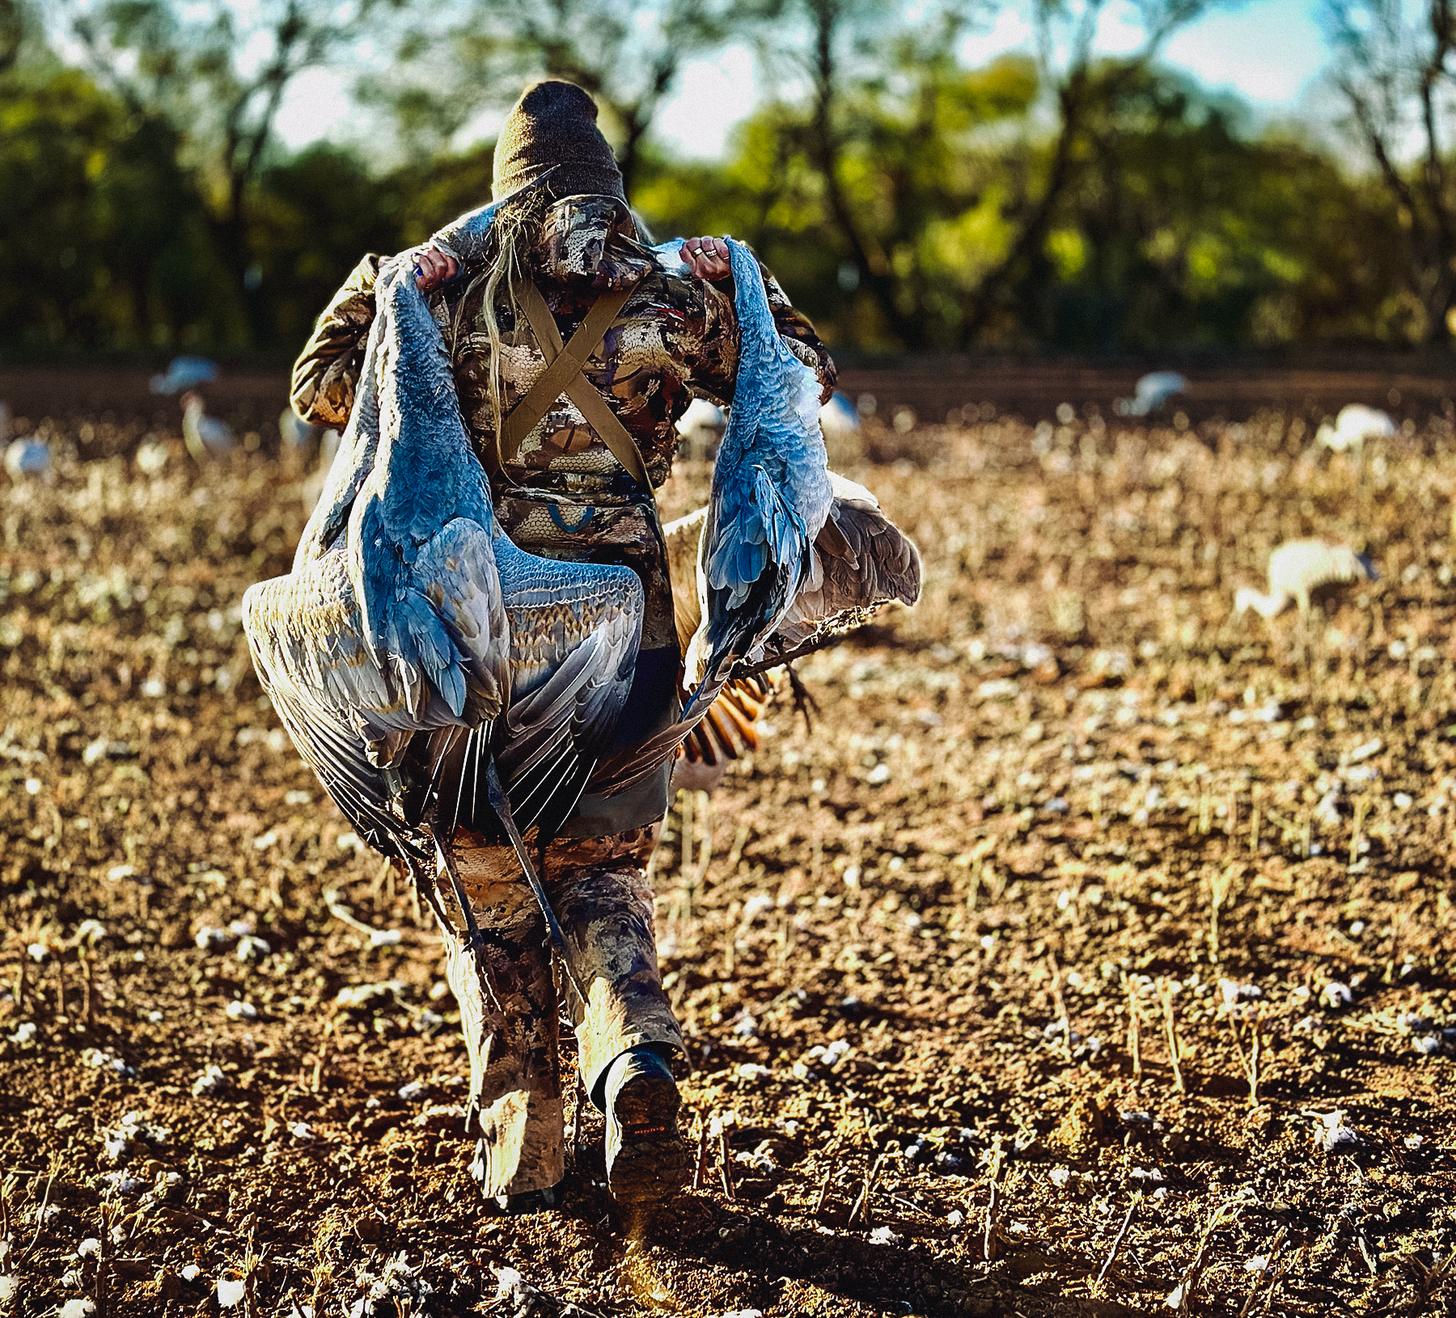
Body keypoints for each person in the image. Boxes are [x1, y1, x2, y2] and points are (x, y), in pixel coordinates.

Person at [289, 80, 836, 1213]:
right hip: (628, 622)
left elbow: (323, 385)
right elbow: (803, 370)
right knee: (602, 875)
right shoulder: (682, 289)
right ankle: (634, 1062)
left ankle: (527, 1154)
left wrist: (429, 259)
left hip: (477, 614)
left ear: (503, 193)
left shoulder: (439, 289)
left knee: (486, 880)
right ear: (609, 185)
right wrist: (718, 289)